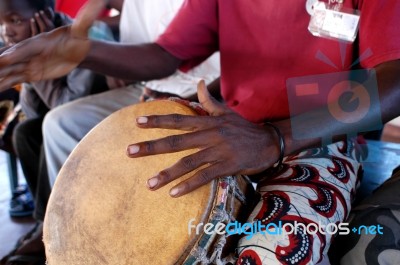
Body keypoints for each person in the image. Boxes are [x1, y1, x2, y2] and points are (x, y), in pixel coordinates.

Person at [0, 0, 399, 264]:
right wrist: (83, 52)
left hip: (319, 137)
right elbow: (166, 53)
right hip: (224, 123)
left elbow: (394, 78)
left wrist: (274, 139)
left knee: (274, 253)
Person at [0, 0, 113, 264]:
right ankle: (45, 220)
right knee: (25, 132)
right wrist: (31, 64)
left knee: (46, 127)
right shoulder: (32, 44)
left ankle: (49, 227)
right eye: (3, 23)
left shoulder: (80, 38)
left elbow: (67, 108)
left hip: (96, 120)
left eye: (15, 21)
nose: (8, 32)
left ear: (46, 16)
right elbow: (35, 113)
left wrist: (41, 62)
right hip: (60, 118)